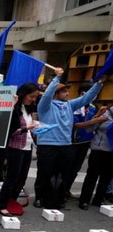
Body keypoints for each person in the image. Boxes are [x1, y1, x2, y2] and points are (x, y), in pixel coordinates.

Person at [34, 67, 104, 209]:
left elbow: (87, 98)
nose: (67, 93)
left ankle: (58, 198)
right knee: (44, 172)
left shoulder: (70, 105)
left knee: (64, 173)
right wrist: (57, 78)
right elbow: (47, 95)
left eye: (67, 91)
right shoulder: (45, 106)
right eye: (64, 91)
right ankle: (39, 197)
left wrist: (99, 84)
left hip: (66, 144)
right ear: (56, 93)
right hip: (47, 144)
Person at [0, 83, 39, 216]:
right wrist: (27, 128)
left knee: (22, 179)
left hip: (27, 148)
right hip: (15, 148)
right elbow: (10, 131)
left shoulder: (28, 110)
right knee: (11, 179)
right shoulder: (14, 109)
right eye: (31, 96)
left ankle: (11, 202)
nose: (33, 99)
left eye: (35, 97)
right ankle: (1, 205)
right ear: (23, 94)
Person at [77, 104, 113, 210]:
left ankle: (99, 199)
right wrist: (96, 118)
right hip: (99, 149)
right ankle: (84, 200)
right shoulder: (105, 114)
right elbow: (89, 129)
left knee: (106, 177)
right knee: (92, 175)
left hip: (111, 151)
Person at [67, 82, 98, 200]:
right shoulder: (73, 106)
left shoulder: (92, 107)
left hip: (85, 142)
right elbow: (75, 125)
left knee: (76, 169)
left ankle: (67, 189)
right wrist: (94, 121)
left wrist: (95, 119)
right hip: (73, 142)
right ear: (83, 93)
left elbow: (91, 121)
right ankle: (60, 191)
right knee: (67, 168)